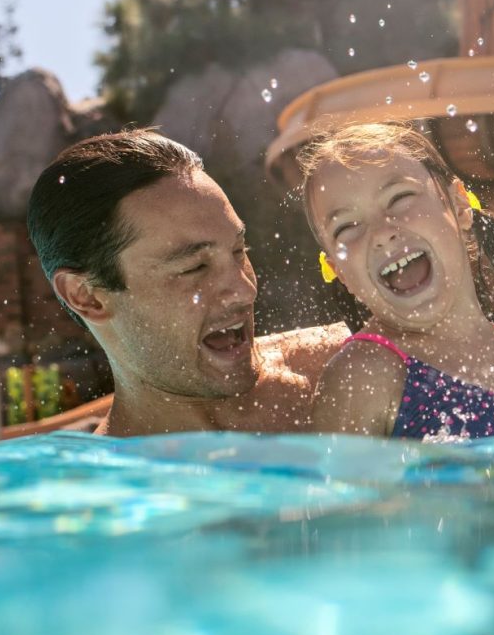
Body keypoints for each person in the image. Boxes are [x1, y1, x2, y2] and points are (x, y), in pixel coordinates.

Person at [299, 122, 494, 439]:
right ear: (339, 272)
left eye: (399, 197)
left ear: (459, 206)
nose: (382, 232)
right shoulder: (364, 376)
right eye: (346, 227)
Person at [27, 130, 344, 436]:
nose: (244, 290)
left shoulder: (347, 368)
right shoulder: (111, 484)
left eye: (238, 251)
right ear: (86, 296)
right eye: (195, 268)